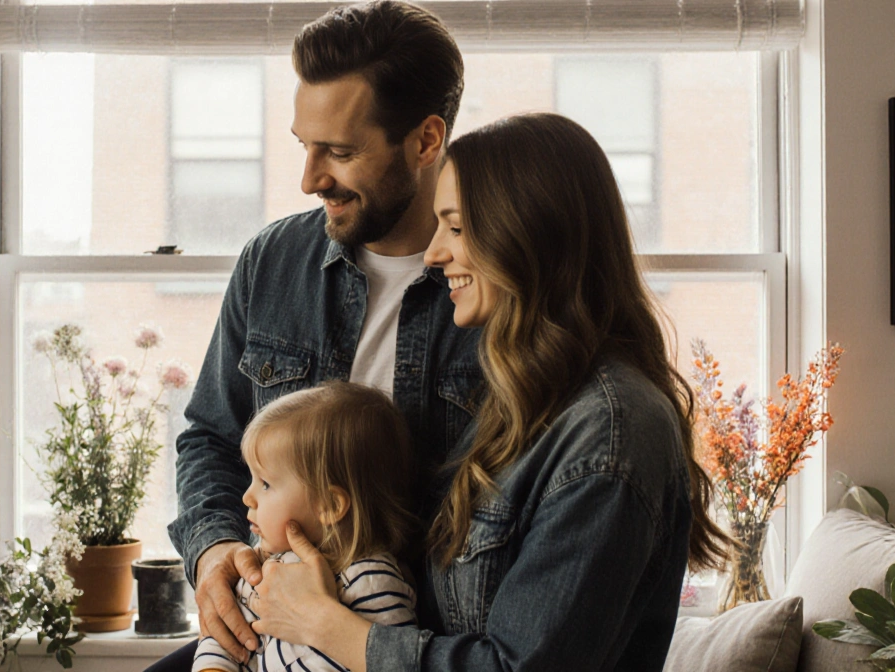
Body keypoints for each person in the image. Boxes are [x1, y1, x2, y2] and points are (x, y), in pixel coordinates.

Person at [246, 113, 732, 671]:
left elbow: (516, 666)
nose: (433, 254)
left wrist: (322, 625)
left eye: (454, 228)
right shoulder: (523, 398)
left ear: (527, 233)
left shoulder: (611, 433)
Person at [154, 2, 481, 670]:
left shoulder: (494, 286)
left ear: (425, 141)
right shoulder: (272, 262)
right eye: (306, 145)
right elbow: (211, 439)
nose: (310, 179)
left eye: (339, 152)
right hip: (269, 634)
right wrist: (216, 551)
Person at [193, 382, 417, 672]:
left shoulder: (371, 582)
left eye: (266, 483)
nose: (247, 497)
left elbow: (390, 662)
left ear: (329, 505)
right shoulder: (264, 565)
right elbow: (227, 639)